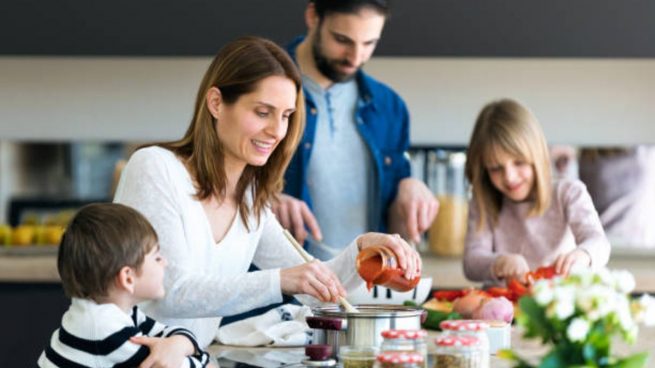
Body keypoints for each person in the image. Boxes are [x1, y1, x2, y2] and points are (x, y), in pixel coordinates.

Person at [113, 36, 421, 347]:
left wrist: (363, 249)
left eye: (286, 115)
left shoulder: (250, 198)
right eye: (263, 112)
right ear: (216, 103)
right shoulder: (155, 168)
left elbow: (312, 289)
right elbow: (168, 290)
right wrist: (280, 280)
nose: (277, 131)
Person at [274, 0, 439, 259]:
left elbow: (396, 225)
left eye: (369, 43)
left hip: (365, 288)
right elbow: (213, 185)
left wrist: (409, 186)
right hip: (282, 287)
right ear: (313, 16)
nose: (355, 57)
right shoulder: (261, 87)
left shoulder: (389, 107)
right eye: (342, 39)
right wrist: (260, 203)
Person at [38, 203, 212, 368]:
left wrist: (180, 343)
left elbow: (167, 335)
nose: (164, 262)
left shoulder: (117, 312)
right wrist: (190, 349)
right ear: (128, 278)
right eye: (156, 257)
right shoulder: (102, 328)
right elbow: (182, 364)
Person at [463, 99, 610, 285]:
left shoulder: (568, 193)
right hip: (503, 306)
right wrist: (498, 262)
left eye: (519, 163)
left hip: (558, 301)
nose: (509, 176)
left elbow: (598, 242)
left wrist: (582, 255)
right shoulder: (483, 201)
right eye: (495, 168)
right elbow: (471, 262)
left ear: (538, 155)